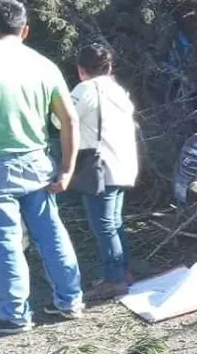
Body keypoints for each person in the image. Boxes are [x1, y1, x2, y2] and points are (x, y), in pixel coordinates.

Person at [0, 0, 84, 334]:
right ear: (25, 30)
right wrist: (67, 168)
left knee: (5, 241)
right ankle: (70, 301)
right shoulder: (44, 64)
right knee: (51, 233)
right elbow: (69, 121)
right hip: (37, 161)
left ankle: (15, 316)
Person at [56, 43, 138, 301]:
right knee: (114, 222)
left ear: (81, 69)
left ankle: (114, 280)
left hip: (100, 166)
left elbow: (60, 119)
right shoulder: (118, 90)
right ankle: (122, 272)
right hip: (123, 163)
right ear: (110, 66)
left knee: (102, 225)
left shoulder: (86, 89)